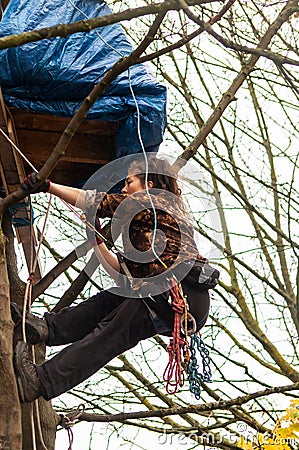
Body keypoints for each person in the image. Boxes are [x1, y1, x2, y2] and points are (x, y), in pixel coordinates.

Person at [12, 155, 213, 403]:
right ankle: (46, 328)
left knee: (110, 334)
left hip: (179, 295)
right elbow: (122, 271)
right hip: (170, 296)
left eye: (130, 181)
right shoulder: (150, 228)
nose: (124, 188)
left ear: (148, 184)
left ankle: (41, 381)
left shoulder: (155, 203)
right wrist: (97, 243)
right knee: (109, 301)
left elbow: (98, 202)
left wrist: (49, 187)